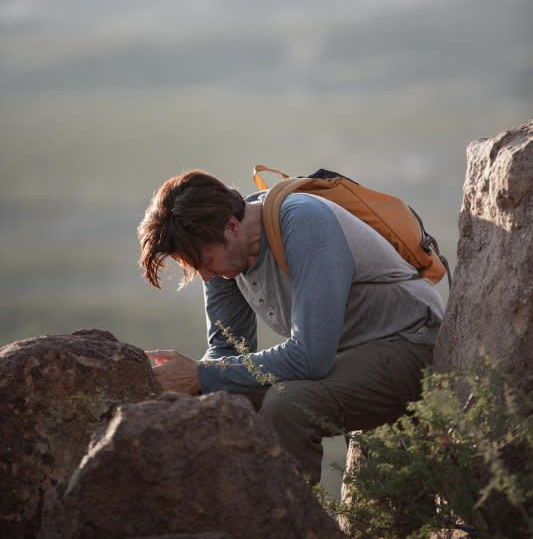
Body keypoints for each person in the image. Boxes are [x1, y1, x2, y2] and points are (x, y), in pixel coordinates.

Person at [138, 169, 444, 485]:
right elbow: (226, 351)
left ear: (231, 226)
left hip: (411, 345)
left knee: (287, 407)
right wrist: (191, 386)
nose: (205, 276)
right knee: (210, 399)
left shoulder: (303, 221)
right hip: (345, 358)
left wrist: (201, 374)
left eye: (205, 262)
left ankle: (291, 521)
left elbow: (310, 357)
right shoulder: (225, 255)